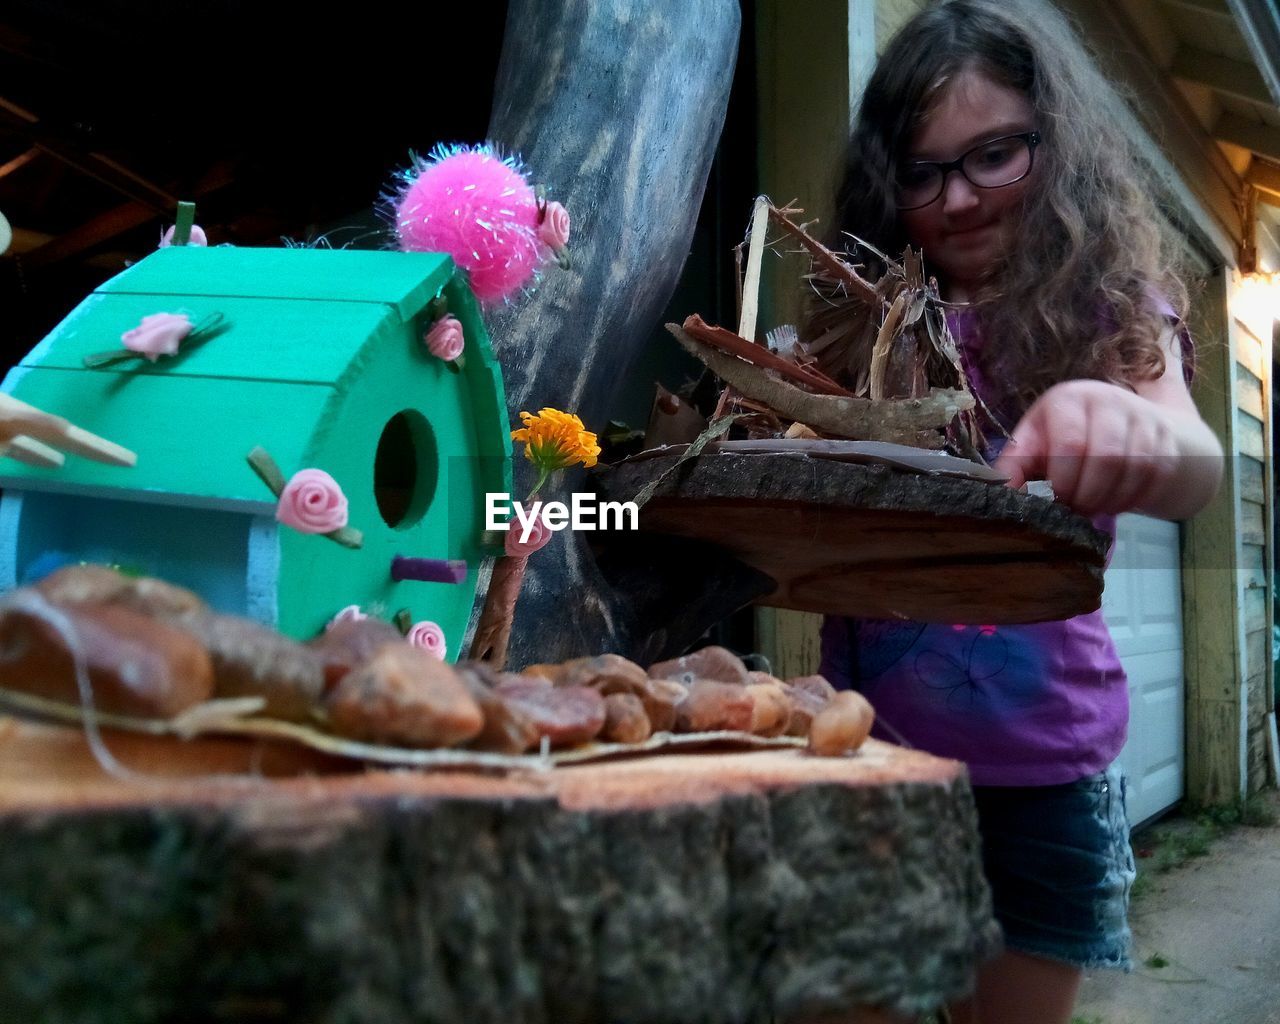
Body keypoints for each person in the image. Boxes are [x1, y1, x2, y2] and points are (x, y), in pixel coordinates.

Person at [814, 2, 1224, 1022]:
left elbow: (1195, 461)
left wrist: (1122, 425)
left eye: (993, 155)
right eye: (922, 171)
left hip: (1042, 772)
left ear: (1055, 147)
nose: (956, 197)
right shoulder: (858, 327)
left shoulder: (1106, 309)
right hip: (869, 762)